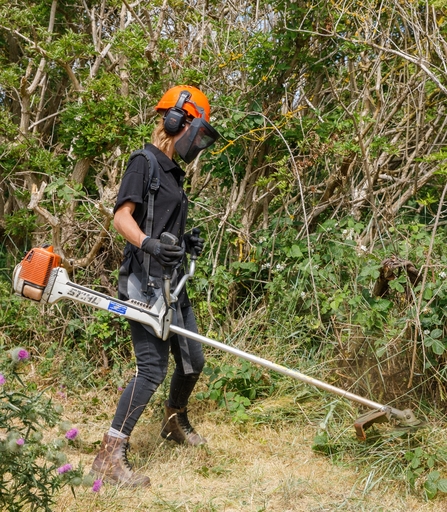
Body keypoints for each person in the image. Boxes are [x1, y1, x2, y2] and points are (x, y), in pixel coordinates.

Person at [90, 85, 220, 487]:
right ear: (176, 120)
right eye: (195, 131)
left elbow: (161, 226)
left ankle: (172, 422)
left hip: (172, 283)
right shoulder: (143, 163)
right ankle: (109, 457)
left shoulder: (173, 173)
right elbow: (122, 217)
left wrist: (184, 242)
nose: (197, 142)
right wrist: (146, 243)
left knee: (192, 360)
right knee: (151, 370)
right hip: (143, 283)